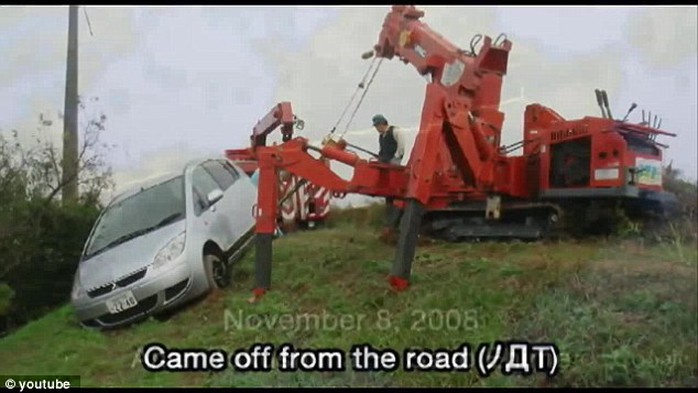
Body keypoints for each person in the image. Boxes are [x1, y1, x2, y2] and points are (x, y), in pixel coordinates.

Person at [372, 114, 405, 243]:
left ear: (382, 124)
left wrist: (394, 160)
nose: (377, 129)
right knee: (388, 194)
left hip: (394, 165)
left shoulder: (396, 131)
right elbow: (382, 150)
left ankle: (394, 224)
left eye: (377, 126)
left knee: (395, 190)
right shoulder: (381, 136)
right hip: (386, 164)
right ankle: (391, 224)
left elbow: (401, 148)